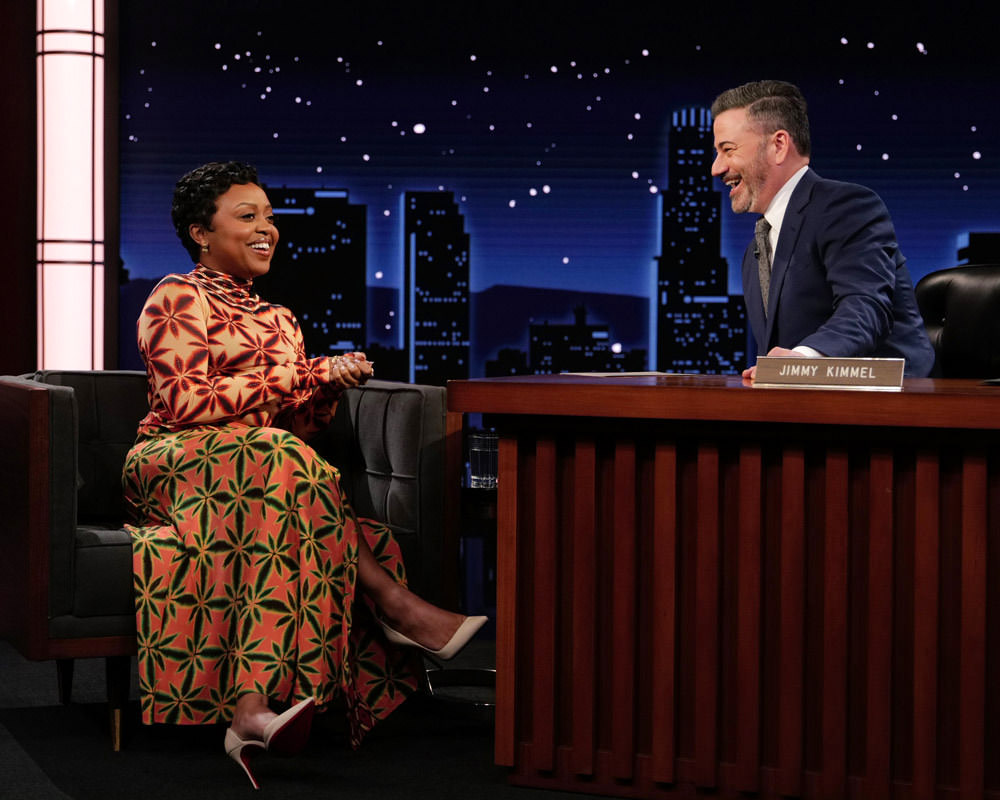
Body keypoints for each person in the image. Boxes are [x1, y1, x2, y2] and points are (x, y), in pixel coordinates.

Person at [123, 161, 486, 789]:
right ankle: (391, 600)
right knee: (281, 458)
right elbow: (185, 402)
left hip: (263, 471)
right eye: (248, 217)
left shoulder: (280, 319)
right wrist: (302, 373)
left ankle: (251, 708)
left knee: (286, 461)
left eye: (269, 216)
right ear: (200, 233)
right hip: (176, 458)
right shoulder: (177, 296)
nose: (267, 228)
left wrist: (328, 387)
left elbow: (296, 428)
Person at [709, 80, 935, 380]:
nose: (716, 168)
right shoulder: (755, 252)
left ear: (778, 145)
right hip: (805, 403)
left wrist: (802, 361)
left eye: (728, 150)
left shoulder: (846, 207)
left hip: (891, 401)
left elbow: (864, 307)